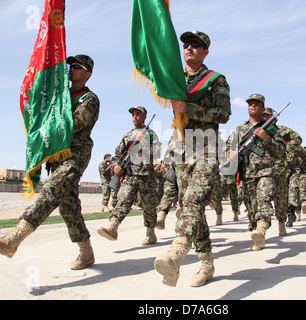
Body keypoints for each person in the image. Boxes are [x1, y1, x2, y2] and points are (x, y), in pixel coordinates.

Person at [0, 54, 100, 270]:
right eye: (70, 66)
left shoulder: (89, 99)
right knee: (69, 206)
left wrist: (52, 116)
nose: (71, 69)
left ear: (87, 74)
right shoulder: (61, 96)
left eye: (77, 67)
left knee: (52, 188)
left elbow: (72, 125)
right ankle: (86, 252)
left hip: (75, 155)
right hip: (57, 157)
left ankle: (14, 239)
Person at [154, 31, 231, 288]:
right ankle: (207, 263)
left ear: (205, 51)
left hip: (207, 148)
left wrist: (191, 109)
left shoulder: (216, 80)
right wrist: (168, 153)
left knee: (193, 201)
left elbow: (223, 114)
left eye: (195, 45)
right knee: (191, 208)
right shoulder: (175, 79)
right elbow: (175, 121)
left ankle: (176, 254)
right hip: (181, 151)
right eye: (186, 44)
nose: (189, 48)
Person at [226, 94, 286, 250]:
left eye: (256, 104)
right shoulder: (240, 129)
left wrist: (266, 139)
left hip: (265, 171)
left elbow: (281, 151)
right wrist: (230, 153)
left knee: (264, 200)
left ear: (262, 108)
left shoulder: (270, 128)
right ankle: (257, 235)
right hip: (246, 174)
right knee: (252, 209)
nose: (253, 106)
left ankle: (262, 228)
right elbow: (228, 145)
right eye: (250, 104)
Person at [98, 106, 161, 245]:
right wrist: (116, 165)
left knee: (149, 206)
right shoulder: (127, 135)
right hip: (130, 175)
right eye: (133, 114)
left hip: (146, 175)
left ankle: (150, 234)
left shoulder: (151, 134)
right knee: (123, 199)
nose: (135, 116)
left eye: (138, 114)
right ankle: (113, 227)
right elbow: (118, 154)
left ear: (144, 117)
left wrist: (143, 141)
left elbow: (156, 153)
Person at [263, 107, 302, 235]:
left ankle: (281, 223)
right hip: (262, 168)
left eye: (267, 116)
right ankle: (261, 226)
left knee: (280, 197)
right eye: (263, 115)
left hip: (279, 167)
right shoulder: (256, 130)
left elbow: (298, 139)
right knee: (263, 196)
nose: (265, 117)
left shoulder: (281, 130)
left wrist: (285, 149)